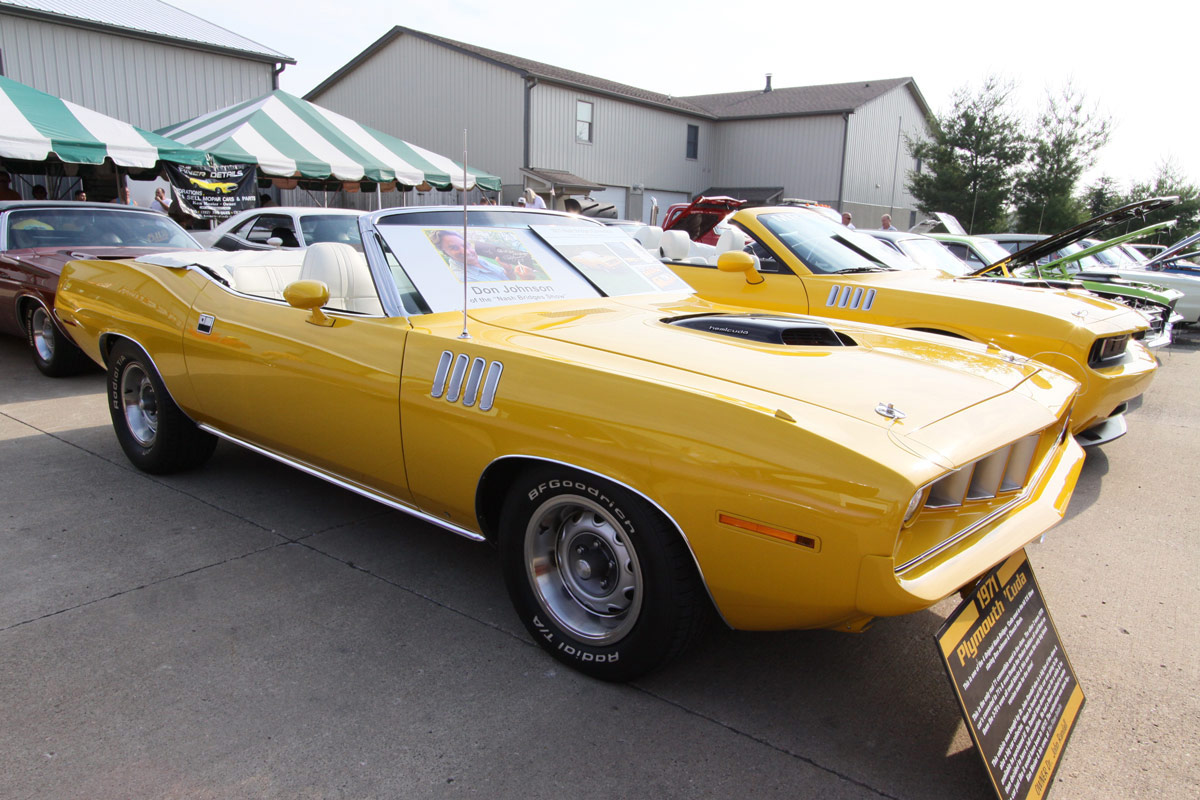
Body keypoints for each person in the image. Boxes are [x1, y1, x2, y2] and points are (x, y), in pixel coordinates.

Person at [430, 229, 536, 281]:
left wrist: (509, 270)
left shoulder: (479, 260)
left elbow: (509, 280)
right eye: (454, 248)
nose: (466, 252)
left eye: (465, 245)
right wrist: (528, 280)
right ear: (445, 253)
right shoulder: (463, 279)